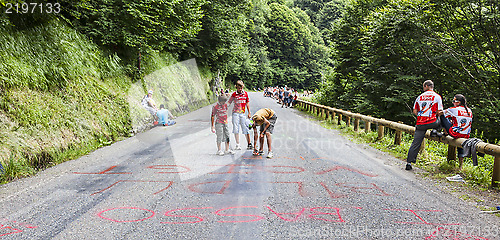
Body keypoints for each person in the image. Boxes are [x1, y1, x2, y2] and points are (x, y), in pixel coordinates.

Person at [406, 80, 443, 170]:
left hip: (421, 123)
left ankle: (409, 163)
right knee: (443, 116)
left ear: (426, 86)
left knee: (415, 143)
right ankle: (436, 131)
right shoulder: (437, 97)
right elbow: (439, 111)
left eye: (423, 87)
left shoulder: (419, 97)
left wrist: (421, 116)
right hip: (432, 122)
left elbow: (415, 111)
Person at [439, 94, 473, 168]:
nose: (453, 103)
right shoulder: (469, 110)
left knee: (442, 115)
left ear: (459, 102)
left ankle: (445, 132)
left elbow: (440, 113)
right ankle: (460, 166)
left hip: (455, 133)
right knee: (461, 145)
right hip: (466, 135)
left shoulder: (454, 109)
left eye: (454, 101)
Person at [227, 80, 252, 150]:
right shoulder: (234, 94)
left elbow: (247, 103)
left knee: (245, 128)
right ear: (236, 87)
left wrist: (249, 112)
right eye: (239, 88)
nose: (240, 89)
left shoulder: (245, 94)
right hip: (235, 113)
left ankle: (249, 143)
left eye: (241, 88)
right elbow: (229, 102)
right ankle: (238, 144)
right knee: (236, 128)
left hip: (243, 113)